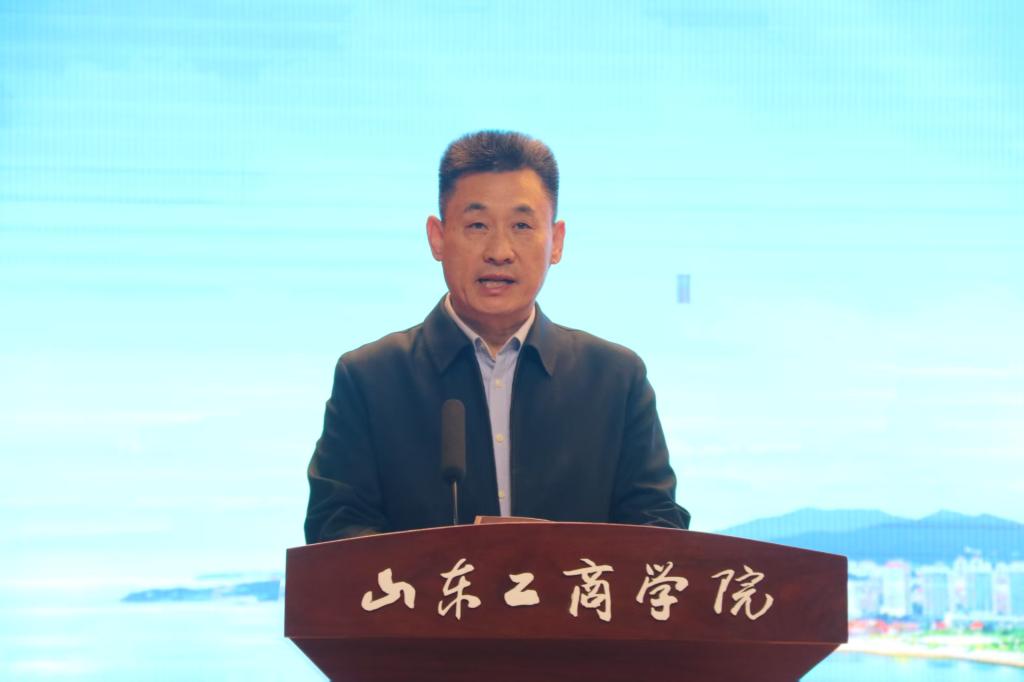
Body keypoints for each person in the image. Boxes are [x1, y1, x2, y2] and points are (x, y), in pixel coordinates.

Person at [304, 130, 689, 542]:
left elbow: (657, 528)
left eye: (522, 225)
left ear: (556, 242)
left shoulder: (615, 379)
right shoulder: (370, 379)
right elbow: (336, 532)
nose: (500, 251)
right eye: (477, 225)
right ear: (437, 237)